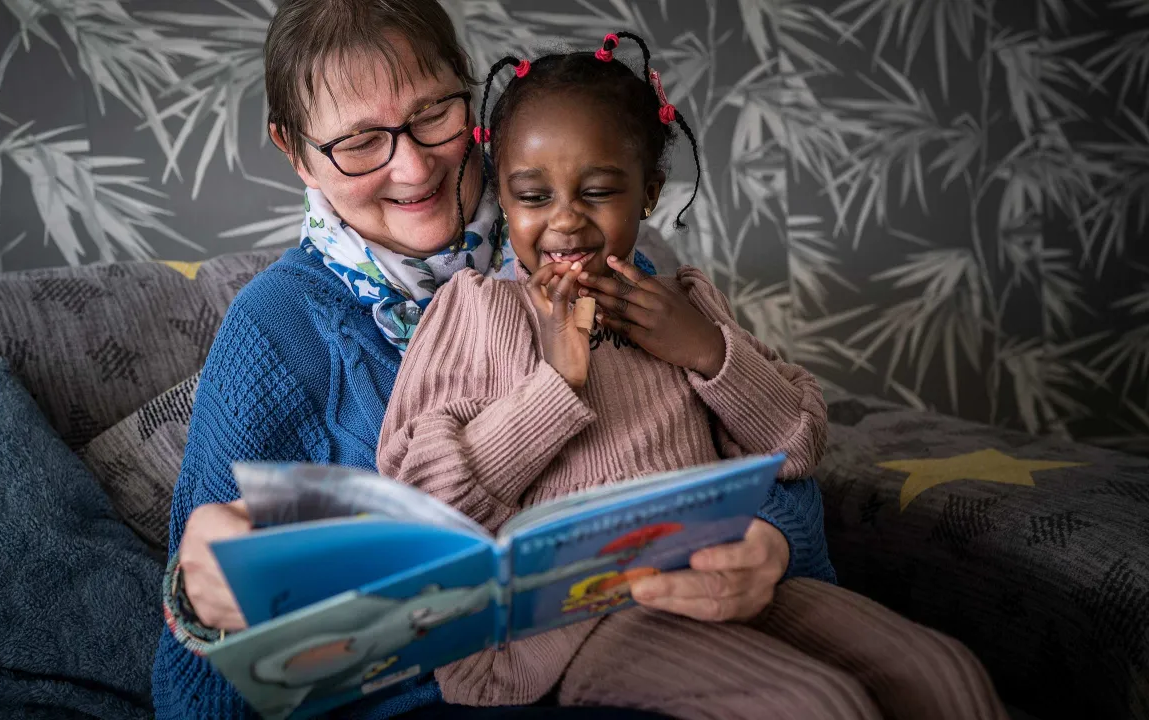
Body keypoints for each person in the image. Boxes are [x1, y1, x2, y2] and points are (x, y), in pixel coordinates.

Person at [150, 2, 994, 719]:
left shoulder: (608, 253)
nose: (411, 167)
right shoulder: (278, 329)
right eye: (359, 142)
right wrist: (209, 608)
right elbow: (194, 680)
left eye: (432, 117)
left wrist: (769, 544)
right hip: (483, 683)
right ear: (295, 151)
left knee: (946, 679)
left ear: (471, 108)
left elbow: (752, 453)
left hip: (680, 608)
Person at [374, 33, 1010, 720]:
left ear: (648, 194)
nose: (564, 220)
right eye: (532, 195)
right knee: (816, 705)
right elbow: (419, 514)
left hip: (717, 579)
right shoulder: (473, 310)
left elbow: (795, 444)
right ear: (501, 194)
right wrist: (553, 389)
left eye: (597, 190)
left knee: (944, 674)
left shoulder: (685, 305)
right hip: (566, 625)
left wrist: (708, 352)